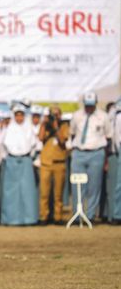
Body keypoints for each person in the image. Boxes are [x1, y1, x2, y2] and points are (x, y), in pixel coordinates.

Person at [70, 92, 112, 221]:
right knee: (77, 185)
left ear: (96, 104)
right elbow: (72, 133)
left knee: (94, 185)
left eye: (91, 106)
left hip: (96, 153)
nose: (89, 108)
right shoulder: (77, 115)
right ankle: (77, 215)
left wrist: (105, 159)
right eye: (87, 105)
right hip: (79, 152)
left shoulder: (103, 116)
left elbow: (108, 136)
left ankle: (91, 215)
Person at [1, 104, 38, 225]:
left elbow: (33, 144)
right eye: (17, 115)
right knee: (11, 191)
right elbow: (3, 145)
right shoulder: (8, 129)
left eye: (21, 115)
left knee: (27, 190)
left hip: (26, 160)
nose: (19, 118)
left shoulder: (29, 128)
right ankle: (12, 219)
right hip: (11, 160)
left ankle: (29, 218)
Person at [38, 106, 69, 225]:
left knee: (58, 193)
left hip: (59, 163)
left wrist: (56, 127)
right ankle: (44, 216)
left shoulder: (64, 126)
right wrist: (43, 124)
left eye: (57, 115)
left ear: (60, 115)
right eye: (53, 115)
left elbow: (62, 140)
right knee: (44, 193)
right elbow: (40, 138)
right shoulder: (46, 127)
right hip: (46, 163)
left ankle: (58, 216)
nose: (55, 117)